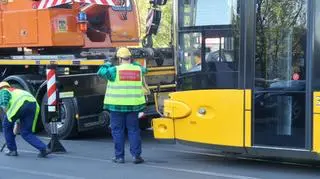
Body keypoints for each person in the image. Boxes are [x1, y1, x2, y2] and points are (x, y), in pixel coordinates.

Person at [97, 47, 148, 164]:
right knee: (134, 130)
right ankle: (136, 156)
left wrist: (108, 63)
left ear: (119, 59)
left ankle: (119, 157)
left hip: (117, 106)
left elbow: (100, 72)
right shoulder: (138, 69)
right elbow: (145, 70)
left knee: (118, 131)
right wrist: (132, 62)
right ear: (130, 58)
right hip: (134, 105)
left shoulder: (114, 70)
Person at [0, 81, 50, 157]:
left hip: (20, 105)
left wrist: (9, 116)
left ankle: (12, 150)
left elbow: (4, 104)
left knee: (6, 125)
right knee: (26, 132)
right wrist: (16, 121)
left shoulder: (3, 91)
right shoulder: (17, 91)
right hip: (33, 105)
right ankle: (44, 148)